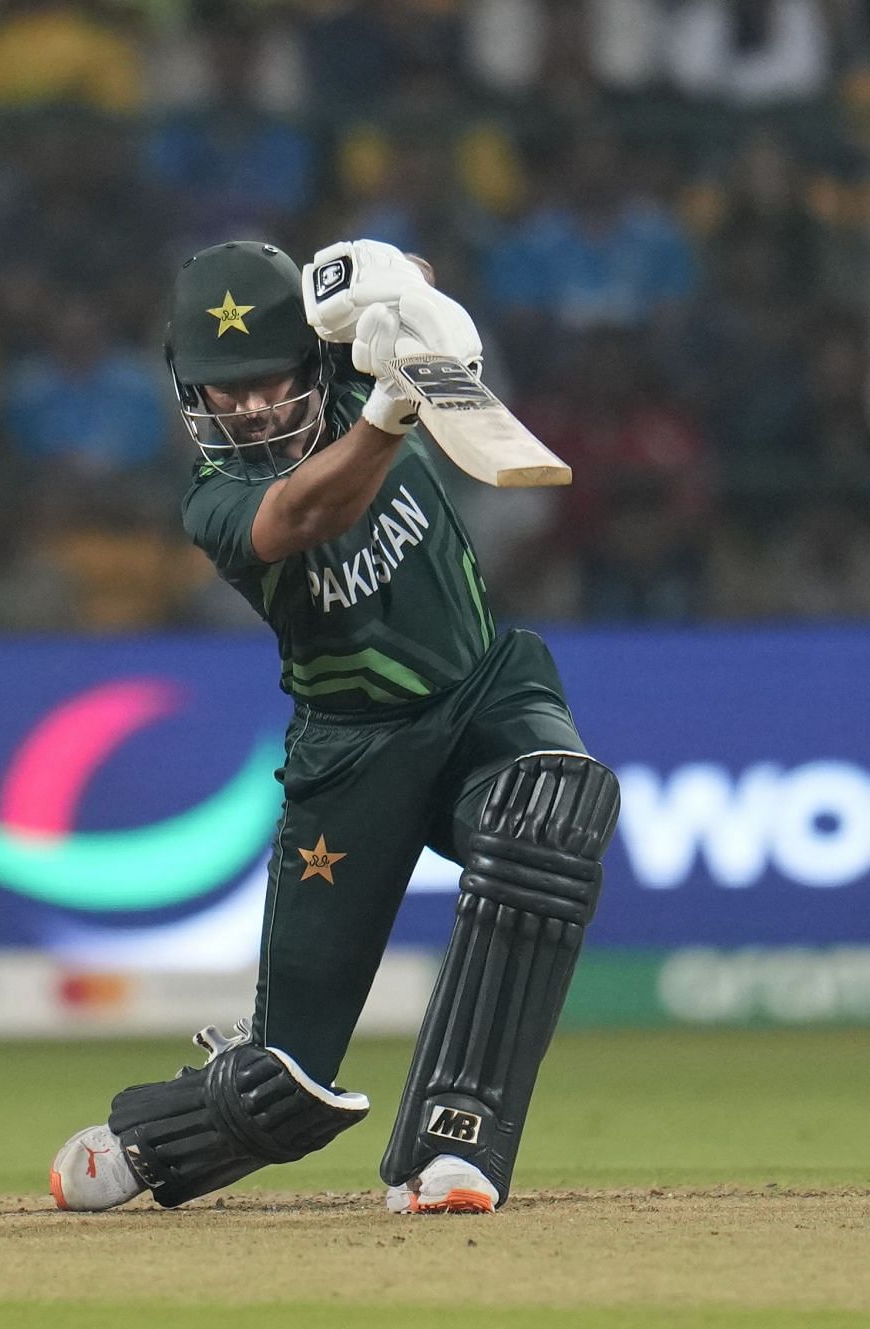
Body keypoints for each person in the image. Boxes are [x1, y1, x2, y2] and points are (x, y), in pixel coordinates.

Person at [49, 239, 620, 1216]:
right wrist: (396, 415)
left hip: (483, 692)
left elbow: (423, 289)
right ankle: (153, 1137)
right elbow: (306, 515)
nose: (247, 408)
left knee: (548, 811)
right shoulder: (216, 502)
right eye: (220, 392)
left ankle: (456, 1146)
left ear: (313, 362)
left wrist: (409, 299)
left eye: (265, 379)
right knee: (287, 1086)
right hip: (352, 758)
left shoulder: (357, 379)